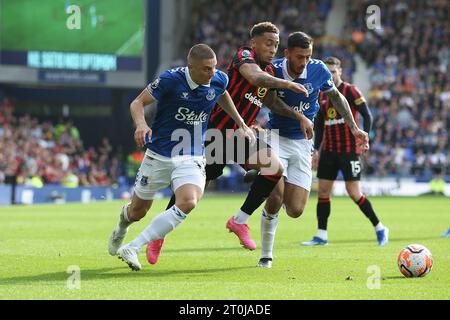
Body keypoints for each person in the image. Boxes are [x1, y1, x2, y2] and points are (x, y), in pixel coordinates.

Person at [150, 22, 315, 263]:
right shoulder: (243, 56)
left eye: (277, 45)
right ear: (254, 43)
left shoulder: (270, 69)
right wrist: (287, 84)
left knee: (274, 168)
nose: (273, 48)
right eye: (269, 43)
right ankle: (158, 236)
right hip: (214, 136)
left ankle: (239, 221)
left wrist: (299, 115)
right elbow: (254, 77)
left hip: (241, 136)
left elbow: (271, 101)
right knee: (191, 196)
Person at [107, 44, 255, 271]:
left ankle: (133, 247)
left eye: (214, 67)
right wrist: (141, 124)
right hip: (159, 154)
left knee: (188, 202)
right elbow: (137, 103)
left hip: (191, 154)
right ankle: (121, 227)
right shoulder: (170, 80)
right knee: (137, 212)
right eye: (206, 69)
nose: (212, 73)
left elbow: (222, 93)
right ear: (191, 67)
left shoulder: (217, 79)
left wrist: (241, 123)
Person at [256, 34, 369, 268]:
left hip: (303, 143)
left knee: (295, 210)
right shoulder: (274, 69)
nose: (304, 62)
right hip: (276, 137)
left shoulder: (318, 70)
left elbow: (336, 97)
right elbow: (270, 102)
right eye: (299, 57)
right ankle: (266, 254)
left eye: (308, 56)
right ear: (287, 54)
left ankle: (265, 180)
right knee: (275, 197)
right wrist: (298, 116)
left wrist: (354, 128)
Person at [301, 56, 389, 248]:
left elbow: (366, 114)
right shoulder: (321, 94)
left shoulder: (350, 90)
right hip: (329, 152)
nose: (330, 75)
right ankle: (321, 235)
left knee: (354, 192)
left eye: (333, 71)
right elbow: (320, 125)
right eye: (328, 72)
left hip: (349, 151)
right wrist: (316, 149)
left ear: (340, 71)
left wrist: (366, 139)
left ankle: (380, 227)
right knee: (323, 191)